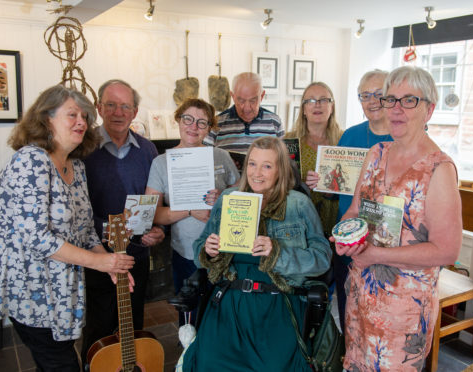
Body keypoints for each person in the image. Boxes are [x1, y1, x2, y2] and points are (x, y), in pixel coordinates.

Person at [0, 85, 135, 371]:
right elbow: (36, 238)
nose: (82, 122)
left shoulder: (75, 166)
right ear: (46, 119)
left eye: (85, 116)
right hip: (33, 291)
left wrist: (111, 265)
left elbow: (86, 230)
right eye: (72, 115)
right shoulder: (31, 160)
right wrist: (102, 262)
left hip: (63, 289)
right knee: (62, 364)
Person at [333, 66, 462, 371]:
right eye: (390, 100)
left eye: (409, 101)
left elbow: (447, 250)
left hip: (403, 306)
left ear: (429, 109)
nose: (396, 109)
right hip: (361, 292)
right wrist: (342, 235)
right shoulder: (376, 152)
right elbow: (355, 209)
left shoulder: (438, 169)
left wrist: (375, 254)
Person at [179, 136, 332, 371]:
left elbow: (322, 258)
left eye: (267, 166)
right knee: (210, 363)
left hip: (276, 303)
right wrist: (207, 250)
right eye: (252, 164)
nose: (257, 173)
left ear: (280, 170)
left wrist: (277, 254)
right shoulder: (227, 199)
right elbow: (199, 246)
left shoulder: (298, 205)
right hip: (228, 302)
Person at [81, 79, 165, 366]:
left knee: (134, 326)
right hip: (98, 257)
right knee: (99, 327)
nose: (118, 112)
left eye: (125, 106)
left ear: (135, 111)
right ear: (99, 107)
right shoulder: (83, 147)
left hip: (137, 256)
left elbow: (157, 201)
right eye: (111, 105)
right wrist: (111, 231)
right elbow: (76, 209)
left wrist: (158, 230)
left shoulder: (148, 150)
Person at [305, 70, 392, 331]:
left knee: (381, 319)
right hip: (348, 243)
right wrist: (323, 184)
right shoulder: (350, 136)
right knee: (348, 313)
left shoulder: (400, 137)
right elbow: (336, 193)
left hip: (386, 244)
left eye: (379, 94)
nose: (372, 100)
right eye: (366, 95)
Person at [145, 98, 240, 325]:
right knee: (190, 317)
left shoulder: (221, 156)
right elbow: (154, 214)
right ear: (178, 120)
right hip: (185, 253)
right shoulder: (160, 163)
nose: (193, 127)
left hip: (223, 251)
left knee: (223, 314)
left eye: (201, 122)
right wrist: (190, 211)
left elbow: (239, 196)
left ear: (209, 128)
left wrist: (223, 197)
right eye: (188, 119)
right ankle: (188, 358)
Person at [286, 81, 343, 238]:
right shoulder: (288, 141)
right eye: (310, 100)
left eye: (323, 100)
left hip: (338, 220)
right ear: (303, 109)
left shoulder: (345, 139)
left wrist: (330, 188)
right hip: (298, 220)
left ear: (332, 107)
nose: (317, 105)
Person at [203, 72, 284, 153]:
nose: (247, 108)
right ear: (233, 96)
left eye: (253, 101)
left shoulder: (275, 122)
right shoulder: (216, 124)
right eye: (241, 100)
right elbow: (206, 160)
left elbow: (283, 160)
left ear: (262, 96)